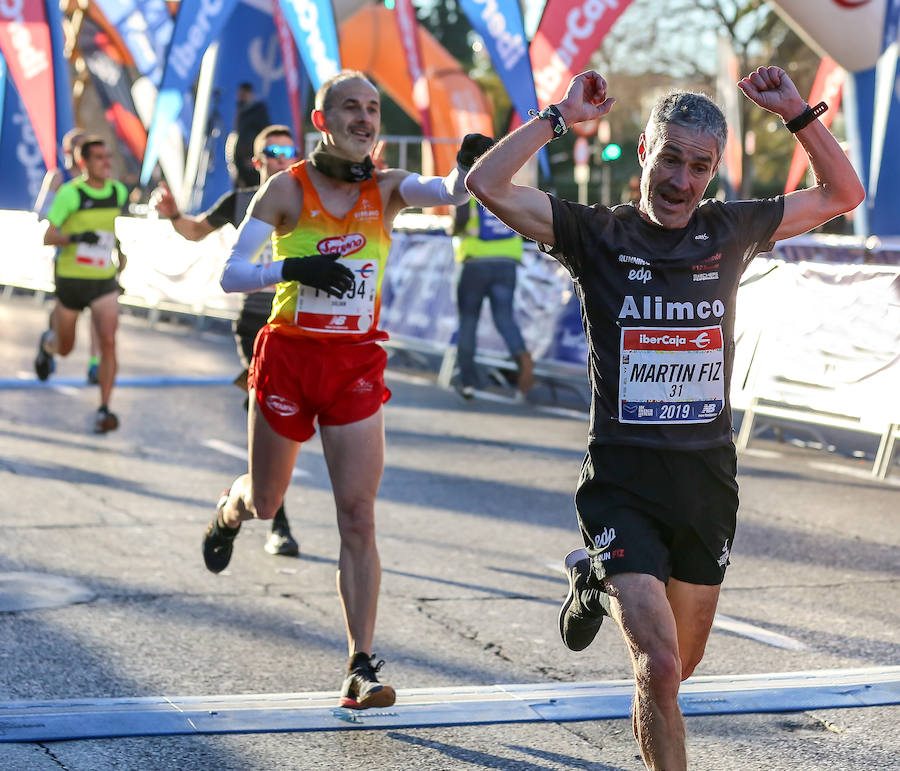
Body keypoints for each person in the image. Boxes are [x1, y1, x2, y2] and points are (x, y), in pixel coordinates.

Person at [466, 67, 864, 770]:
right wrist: (557, 116)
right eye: (670, 158)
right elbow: (487, 184)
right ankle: (607, 567)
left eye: (700, 166)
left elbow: (844, 194)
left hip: (706, 481)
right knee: (656, 666)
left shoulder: (731, 229)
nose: (682, 180)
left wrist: (800, 113)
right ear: (644, 153)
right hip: (622, 479)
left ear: (714, 172)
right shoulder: (595, 234)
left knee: (681, 666)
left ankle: (592, 578)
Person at [204, 70, 492, 709]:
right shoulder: (286, 189)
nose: (365, 117)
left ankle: (360, 665)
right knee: (265, 498)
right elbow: (230, 275)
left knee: (357, 515)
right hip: (287, 359)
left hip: (355, 366)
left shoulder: (388, 188)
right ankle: (231, 507)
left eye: (372, 108)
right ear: (322, 117)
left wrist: (470, 171)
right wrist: (295, 266)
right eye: (351, 108)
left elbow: (445, 189)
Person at [152, 124, 301, 558]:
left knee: (283, 417)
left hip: (301, 321)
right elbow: (196, 231)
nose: (282, 156)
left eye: (289, 150)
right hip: (258, 321)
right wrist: (172, 214)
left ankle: (254, 412)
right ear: (258, 162)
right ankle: (279, 524)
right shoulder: (240, 201)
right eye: (272, 151)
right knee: (276, 417)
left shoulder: (311, 197)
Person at [36, 137, 131, 433]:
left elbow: (110, 227)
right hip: (72, 280)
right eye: (99, 158)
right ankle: (48, 346)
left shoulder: (117, 190)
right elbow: (48, 236)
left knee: (109, 342)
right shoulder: (70, 193)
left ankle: (104, 409)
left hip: (103, 280)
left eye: (108, 156)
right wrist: (77, 238)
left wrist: (118, 249)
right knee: (65, 348)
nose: (107, 163)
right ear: (84, 163)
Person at [34, 128, 104, 386]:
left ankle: (95, 365)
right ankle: (49, 342)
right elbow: (43, 212)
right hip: (67, 253)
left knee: (99, 310)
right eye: (77, 146)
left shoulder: (99, 179)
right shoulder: (58, 177)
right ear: (68, 151)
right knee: (64, 313)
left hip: (96, 258)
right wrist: (72, 224)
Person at [451, 193, 534, 401]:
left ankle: (467, 382)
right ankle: (523, 359)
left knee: (468, 322)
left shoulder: (468, 187)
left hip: (475, 262)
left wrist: (451, 230)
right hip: (507, 262)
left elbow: (459, 222)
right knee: (504, 319)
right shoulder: (507, 188)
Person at [226, 82, 271, 188]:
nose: (241, 97)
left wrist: (255, 156)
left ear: (250, 94)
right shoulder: (240, 111)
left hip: (252, 162)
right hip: (240, 163)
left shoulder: (259, 111)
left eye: (244, 94)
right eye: (240, 95)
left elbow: (265, 135)